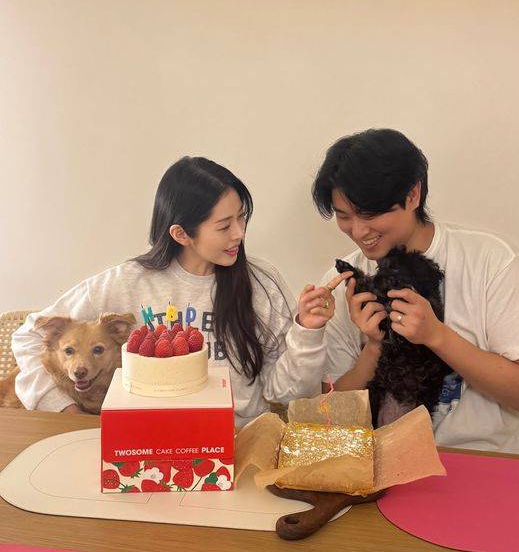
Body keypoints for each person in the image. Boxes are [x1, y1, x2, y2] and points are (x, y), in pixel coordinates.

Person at [13, 157, 350, 427]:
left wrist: (308, 331)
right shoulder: (126, 283)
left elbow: (288, 394)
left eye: (242, 218)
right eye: (224, 226)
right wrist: (66, 410)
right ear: (181, 234)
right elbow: (27, 338)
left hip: (238, 445)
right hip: (145, 447)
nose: (239, 234)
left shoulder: (261, 283)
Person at [312, 128, 519, 453]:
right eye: (344, 216)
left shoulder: (491, 262)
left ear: (413, 195)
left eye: (371, 214)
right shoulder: (345, 278)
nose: (357, 231)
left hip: (484, 459)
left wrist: (436, 335)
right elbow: (330, 414)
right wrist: (374, 346)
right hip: (385, 461)